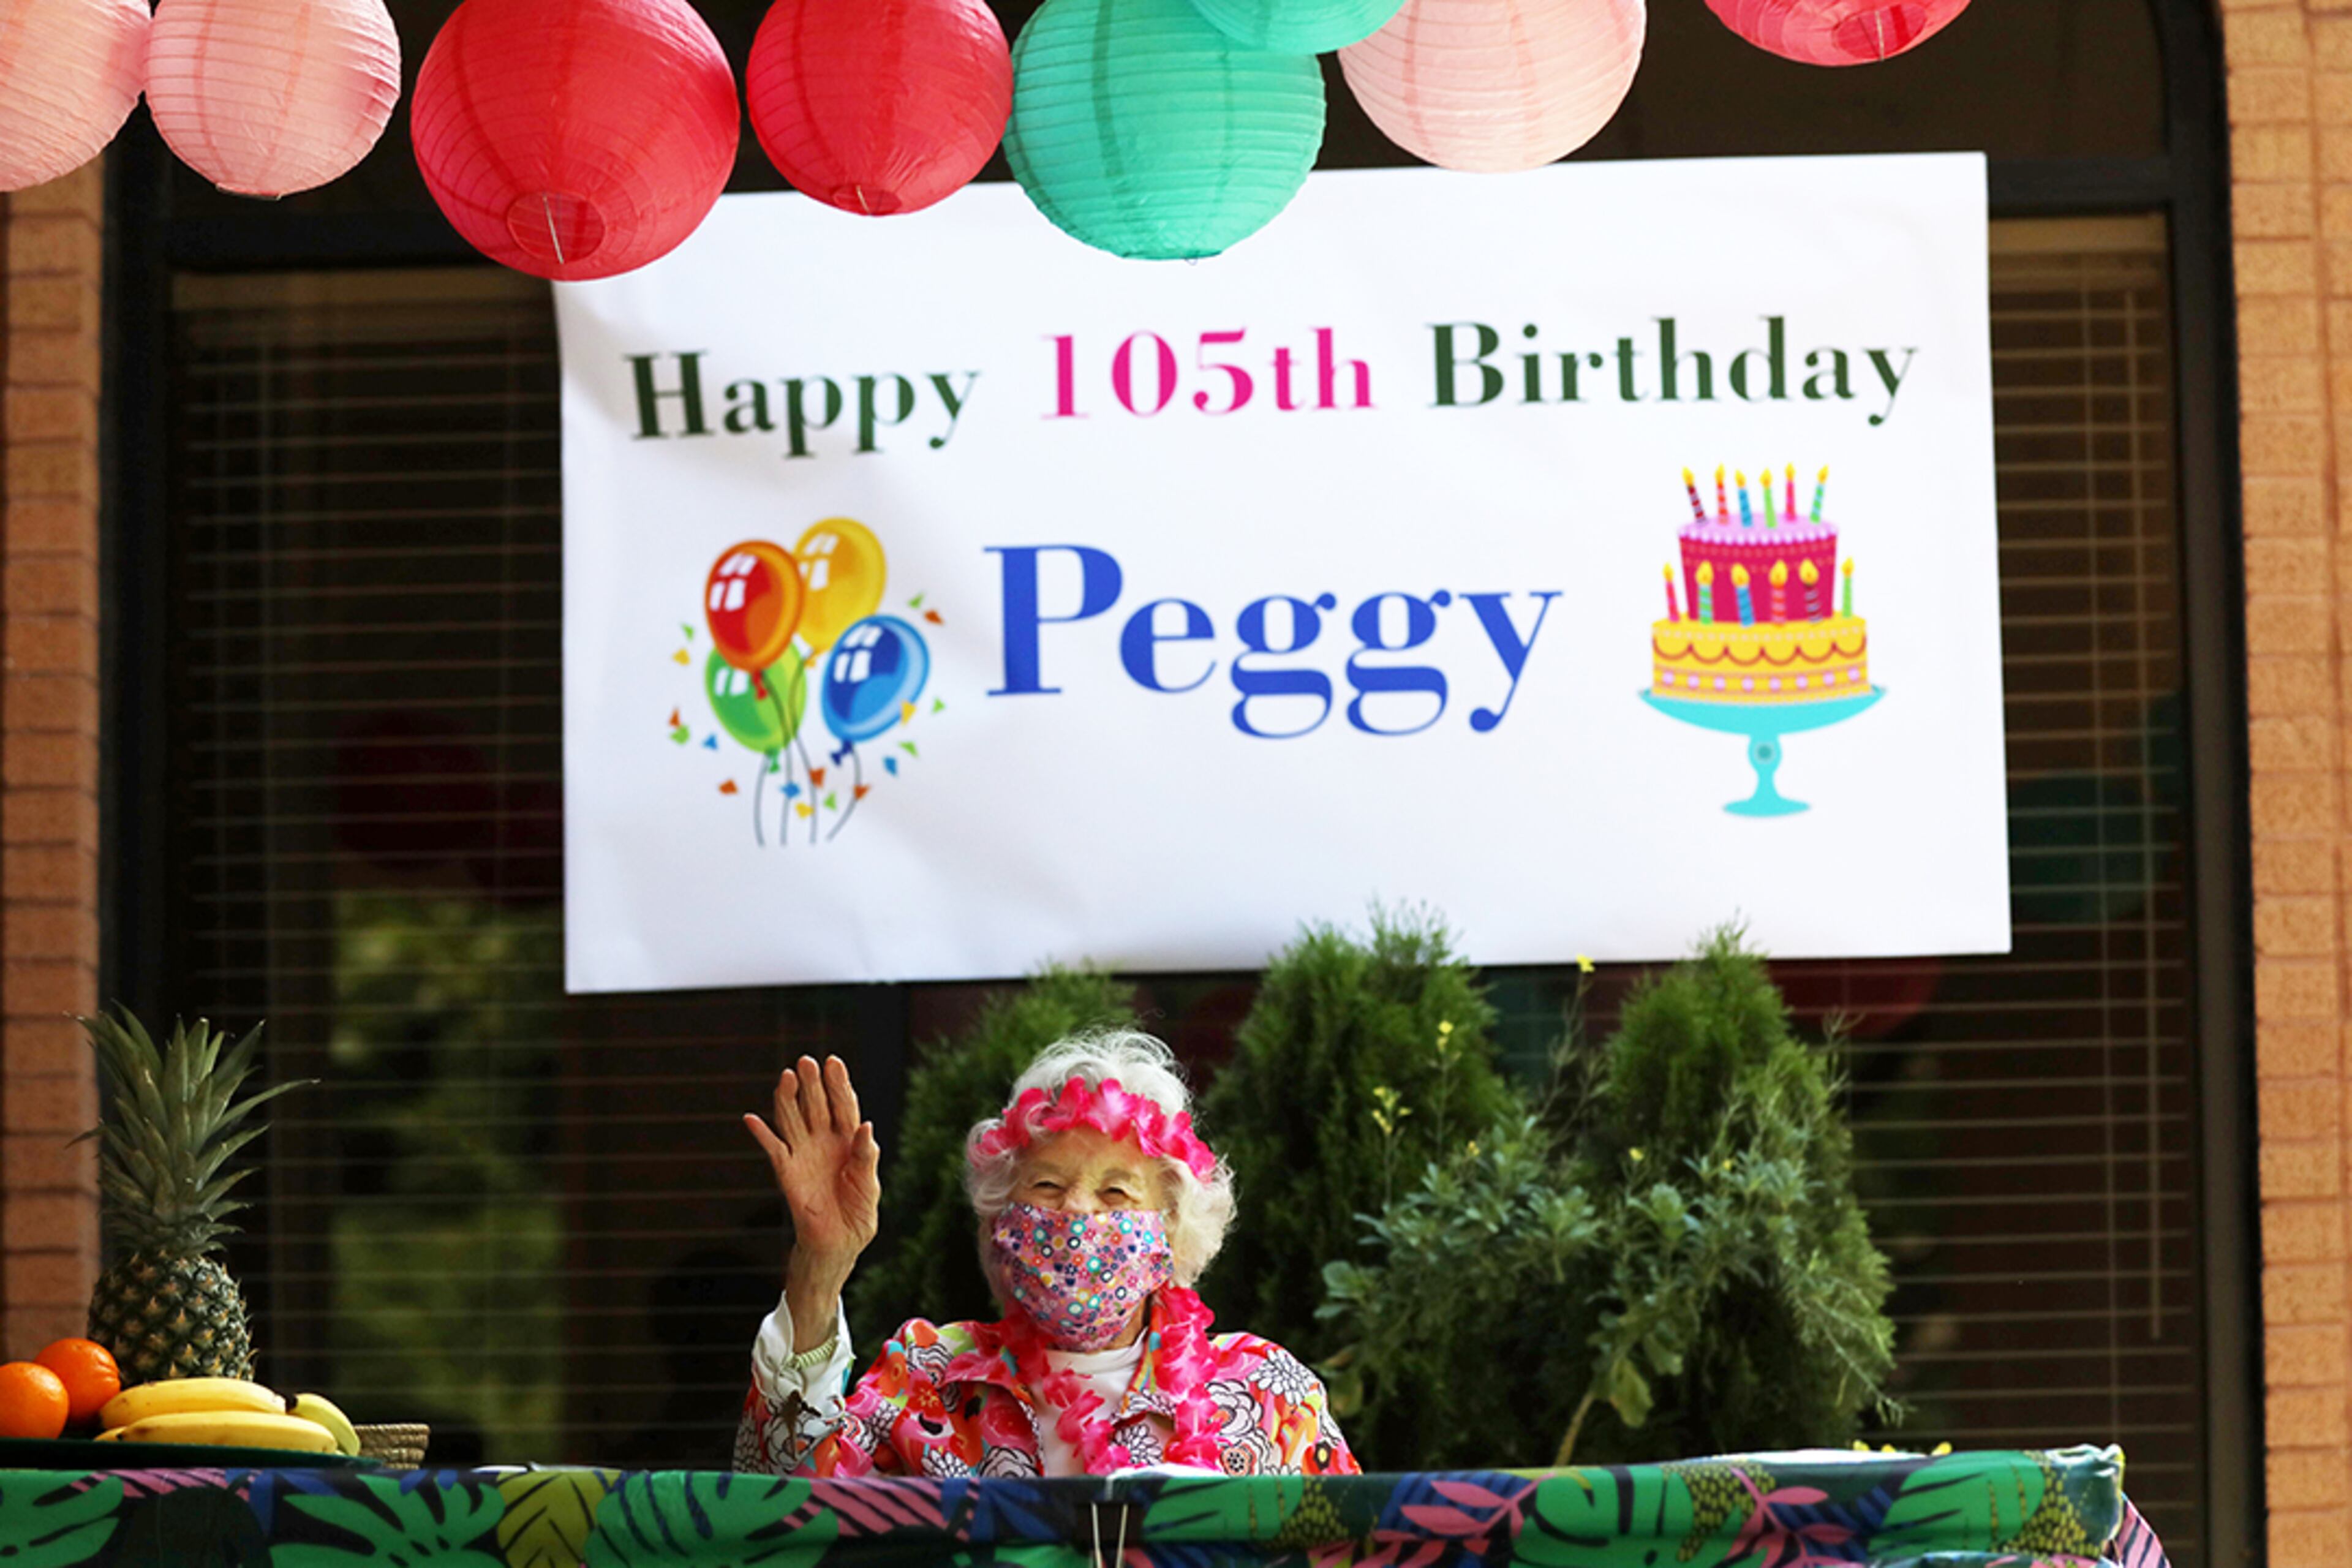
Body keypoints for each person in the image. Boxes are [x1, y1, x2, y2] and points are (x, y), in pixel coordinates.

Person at [733, 1030, 1359, 1478]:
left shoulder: (1265, 1391)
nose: (1078, 1210)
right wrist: (821, 1265)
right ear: (1002, 1214)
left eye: (1116, 1190)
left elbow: (1349, 1551)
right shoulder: (928, 1375)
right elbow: (784, 1514)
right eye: (1048, 1185)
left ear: (1172, 1227)